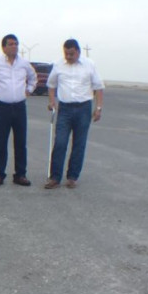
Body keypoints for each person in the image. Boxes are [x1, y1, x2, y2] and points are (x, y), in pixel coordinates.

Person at [45, 38, 105, 189]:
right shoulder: (58, 65)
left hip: (83, 108)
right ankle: (55, 177)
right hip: (64, 109)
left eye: (71, 54)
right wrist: (52, 101)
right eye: (66, 53)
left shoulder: (89, 64)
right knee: (60, 142)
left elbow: (98, 87)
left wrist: (98, 108)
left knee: (79, 143)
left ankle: (72, 176)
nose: (68, 57)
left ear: (78, 52)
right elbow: (51, 85)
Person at [0, 34, 37, 187]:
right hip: (2, 107)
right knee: (1, 142)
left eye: (16, 43)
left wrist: (29, 90)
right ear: (3, 47)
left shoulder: (24, 63)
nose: (14, 46)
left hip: (19, 107)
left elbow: (33, 78)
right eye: (11, 44)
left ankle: (20, 174)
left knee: (21, 142)